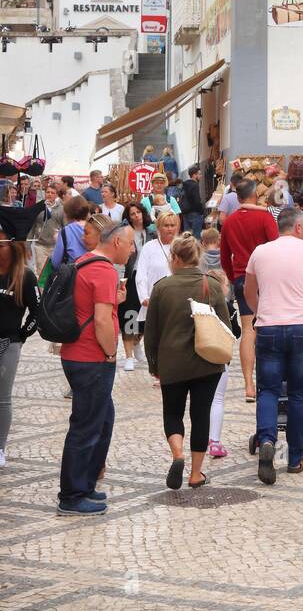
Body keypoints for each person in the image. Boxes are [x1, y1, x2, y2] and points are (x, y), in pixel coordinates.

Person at [57, 219, 134, 515]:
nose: (131, 250)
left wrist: (112, 301)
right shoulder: (103, 270)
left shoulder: (85, 261)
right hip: (91, 357)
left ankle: (85, 484)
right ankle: (72, 495)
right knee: (86, 426)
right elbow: (101, 321)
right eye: (129, 244)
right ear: (116, 242)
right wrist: (110, 352)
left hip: (77, 354)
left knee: (102, 420)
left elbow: (88, 305)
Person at [144, 233, 231, 490]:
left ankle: (177, 454)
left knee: (173, 413)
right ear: (198, 257)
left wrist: (153, 365)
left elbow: (151, 333)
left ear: (174, 258)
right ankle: (195, 473)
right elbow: (225, 327)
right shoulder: (212, 286)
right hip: (207, 363)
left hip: (172, 362)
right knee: (200, 415)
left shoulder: (161, 288)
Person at [244, 206, 303, 482]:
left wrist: (260, 310)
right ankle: (294, 458)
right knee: (300, 393)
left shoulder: (260, 252)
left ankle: (267, 440)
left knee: (268, 389)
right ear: (300, 228)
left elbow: (248, 292)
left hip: (268, 326)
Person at [221, 179, 278, 401]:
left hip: (242, 277)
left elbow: (225, 257)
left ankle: (248, 385)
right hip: (264, 277)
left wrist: (233, 276)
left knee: (248, 330)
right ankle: (268, 379)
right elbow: (275, 246)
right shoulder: (264, 217)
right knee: (268, 326)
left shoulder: (230, 221)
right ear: (255, 195)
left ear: (237, 198)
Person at [0, 230, 40, 467]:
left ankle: (0, 447)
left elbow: (36, 311)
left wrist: (22, 335)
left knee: (2, 399)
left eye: (1, 244)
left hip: (9, 344)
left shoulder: (25, 276)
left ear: (13, 247)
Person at [206, 268, 242, 460]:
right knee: (217, 399)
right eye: (227, 284)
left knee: (201, 401)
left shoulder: (198, 305)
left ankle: (201, 437)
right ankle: (215, 441)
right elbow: (236, 333)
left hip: (199, 358)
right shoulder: (228, 308)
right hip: (221, 358)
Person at [119, 202, 155, 371]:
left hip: (148, 279)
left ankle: (136, 342)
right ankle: (128, 356)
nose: (136, 216)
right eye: (132, 213)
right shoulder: (125, 233)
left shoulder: (152, 232)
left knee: (146, 315)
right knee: (130, 315)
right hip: (131, 278)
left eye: (138, 212)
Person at [135, 210, 180, 338]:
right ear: (159, 227)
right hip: (154, 300)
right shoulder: (149, 247)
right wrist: (143, 296)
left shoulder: (182, 246)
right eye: (166, 225)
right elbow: (141, 274)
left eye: (173, 225)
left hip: (177, 299)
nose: (169, 229)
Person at [32, 181, 64, 280]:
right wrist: (27, 244)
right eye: (48, 192)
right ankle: (42, 294)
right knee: (40, 272)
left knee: (54, 271)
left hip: (55, 246)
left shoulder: (61, 209)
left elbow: (65, 226)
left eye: (52, 193)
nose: (49, 194)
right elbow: (33, 225)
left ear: (56, 195)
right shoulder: (38, 207)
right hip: (40, 244)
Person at [51, 195, 91, 268]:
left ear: (68, 214)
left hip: (74, 274)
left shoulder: (65, 231)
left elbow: (55, 262)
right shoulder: (94, 228)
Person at [179, 165, 205, 239]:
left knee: (187, 237)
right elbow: (197, 201)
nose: (201, 176)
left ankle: (188, 249)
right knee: (197, 237)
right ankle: (196, 250)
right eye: (199, 174)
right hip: (194, 213)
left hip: (185, 213)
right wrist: (201, 211)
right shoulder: (195, 185)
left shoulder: (184, 185)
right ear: (194, 175)